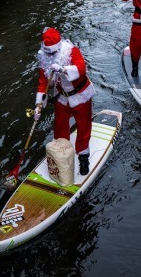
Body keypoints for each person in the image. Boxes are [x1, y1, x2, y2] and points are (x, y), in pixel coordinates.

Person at [34, 27, 96, 175]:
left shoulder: (71, 51)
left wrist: (63, 69)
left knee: (83, 127)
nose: (50, 55)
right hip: (62, 97)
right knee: (60, 127)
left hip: (80, 96)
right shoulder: (44, 58)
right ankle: (62, 154)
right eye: (48, 52)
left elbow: (81, 69)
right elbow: (43, 83)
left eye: (53, 53)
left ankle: (83, 156)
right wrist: (38, 105)